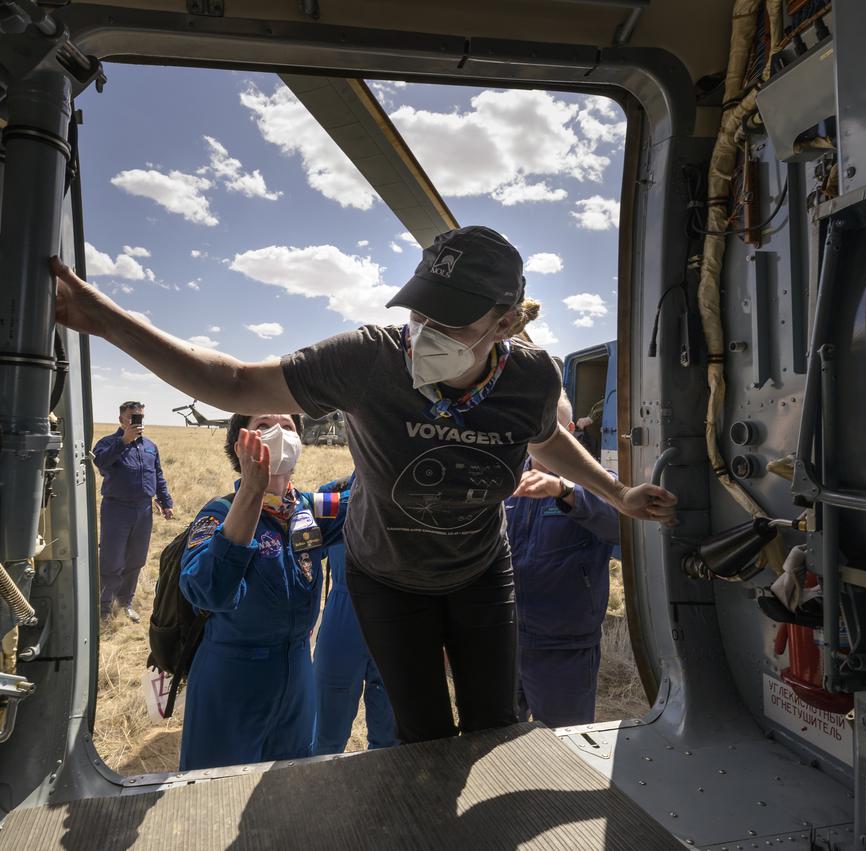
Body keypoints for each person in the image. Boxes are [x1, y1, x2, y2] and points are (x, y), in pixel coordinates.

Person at [53, 224, 676, 747]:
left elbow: (545, 439)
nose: (425, 330)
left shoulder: (532, 378)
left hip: (481, 571)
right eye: (420, 309)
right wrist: (108, 322)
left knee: (496, 724)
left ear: (506, 322)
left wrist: (616, 493)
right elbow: (236, 381)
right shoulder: (368, 361)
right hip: (387, 579)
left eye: (451, 321)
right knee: (423, 732)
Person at [177, 413, 347, 771]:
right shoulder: (218, 513)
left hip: (299, 671)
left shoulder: (305, 509)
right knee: (217, 791)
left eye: (287, 426)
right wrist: (253, 491)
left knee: (289, 783)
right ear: (239, 443)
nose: (278, 434)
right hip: (233, 676)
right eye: (264, 424)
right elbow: (207, 592)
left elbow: (363, 502)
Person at [506, 392, 619, 728]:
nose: (539, 439)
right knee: (493, 745)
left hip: (563, 649)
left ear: (569, 430)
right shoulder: (507, 480)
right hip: (505, 643)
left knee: (564, 748)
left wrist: (565, 490)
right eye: (532, 429)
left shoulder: (595, 482)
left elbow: (619, 524)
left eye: (549, 429)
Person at [310, 472, 398, 755]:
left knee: (390, 736)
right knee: (326, 733)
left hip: (396, 617)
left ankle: (385, 795)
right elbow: (309, 552)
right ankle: (320, 793)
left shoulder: (409, 491)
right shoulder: (331, 494)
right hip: (343, 614)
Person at [92, 401, 174, 623]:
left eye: (139, 417)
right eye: (131, 417)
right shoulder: (107, 443)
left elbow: (157, 474)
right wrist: (123, 442)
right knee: (112, 558)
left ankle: (125, 602)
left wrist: (165, 501)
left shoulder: (149, 446)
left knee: (136, 558)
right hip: (116, 508)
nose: (136, 421)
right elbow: (101, 463)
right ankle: (104, 607)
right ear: (121, 419)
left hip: (144, 509)